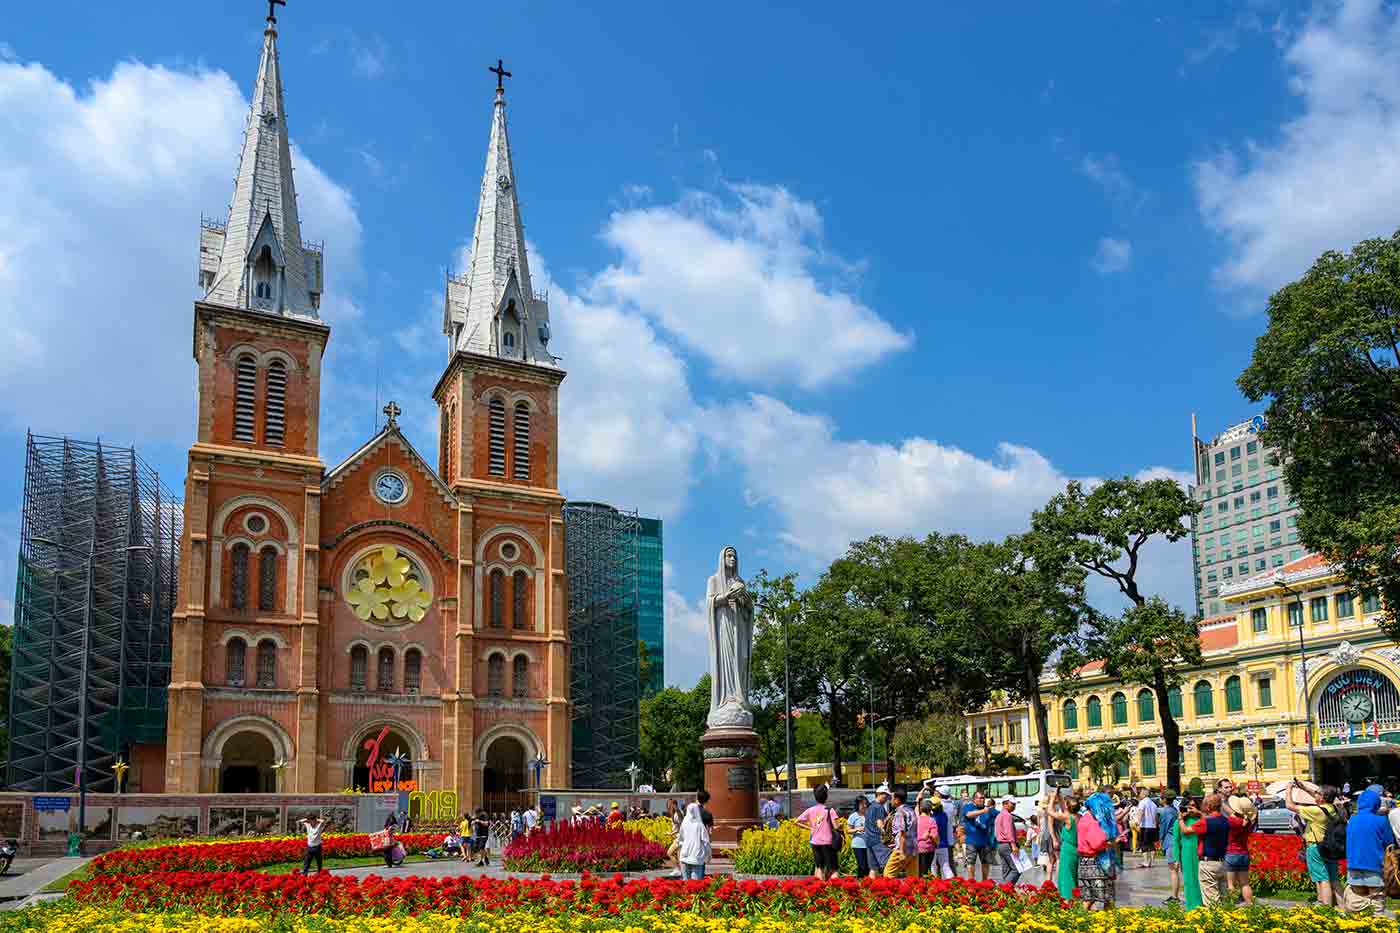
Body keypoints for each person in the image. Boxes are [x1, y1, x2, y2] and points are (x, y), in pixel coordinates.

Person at [1284, 780, 1343, 908]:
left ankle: (1326, 909)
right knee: (1334, 879)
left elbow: (1290, 806)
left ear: (1322, 797)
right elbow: (1321, 799)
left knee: (1323, 879)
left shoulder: (1316, 811)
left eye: (1317, 793)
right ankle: (1344, 908)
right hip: (1331, 847)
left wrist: (1288, 790)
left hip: (1316, 847)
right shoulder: (1334, 808)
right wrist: (1304, 788)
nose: (1315, 794)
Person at [1343, 788, 1395, 914]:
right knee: (1377, 902)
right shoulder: (1381, 821)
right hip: (1375, 867)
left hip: (1354, 866)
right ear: (1376, 804)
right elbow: (1389, 843)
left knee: (1357, 903)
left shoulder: (1352, 820)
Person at [1181, 795, 1230, 907]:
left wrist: (1180, 818)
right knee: (1223, 897)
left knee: (1211, 901)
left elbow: (1185, 830)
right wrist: (1199, 813)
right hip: (1222, 862)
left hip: (1208, 863)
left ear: (1208, 806)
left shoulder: (1205, 823)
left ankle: (1215, 923)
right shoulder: (1225, 821)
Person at [1076, 792, 1118, 909]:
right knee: (1106, 897)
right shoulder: (1092, 822)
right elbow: (1097, 843)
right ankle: (1109, 921)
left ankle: (1078, 920)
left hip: (1084, 863)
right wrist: (1109, 843)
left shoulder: (1083, 819)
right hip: (1095, 864)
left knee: (1088, 898)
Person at [796, 784, 841, 881]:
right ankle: (835, 888)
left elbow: (797, 822)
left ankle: (818, 888)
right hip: (828, 843)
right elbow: (837, 826)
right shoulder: (830, 810)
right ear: (826, 796)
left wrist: (810, 828)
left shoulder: (810, 810)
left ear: (815, 797)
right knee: (833, 869)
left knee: (819, 867)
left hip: (815, 842)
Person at [1223, 795, 1255, 906]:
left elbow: (1230, 816)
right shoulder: (1248, 821)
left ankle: (1231, 905)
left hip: (1231, 853)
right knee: (1245, 883)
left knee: (1230, 884)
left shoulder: (1232, 821)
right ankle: (1250, 904)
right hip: (1244, 853)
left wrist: (1221, 802)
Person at [960, 791, 997, 881]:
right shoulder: (968, 807)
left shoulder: (988, 809)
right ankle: (971, 881)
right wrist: (983, 811)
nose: (982, 800)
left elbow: (999, 816)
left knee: (985, 862)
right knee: (970, 862)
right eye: (980, 798)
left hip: (985, 841)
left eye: (983, 798)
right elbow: (969, 814)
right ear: (974, 799)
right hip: (971, 841)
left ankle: (984, 881)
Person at [883, 789, 918, 878]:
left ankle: (890, 891)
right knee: (912, 878)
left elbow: (902, 833)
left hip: (902, 849)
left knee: (888, 875)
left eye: (891, 798)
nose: (890, 800)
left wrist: (901, 852)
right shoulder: (910, 810)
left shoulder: (899, 813)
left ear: (897, 800)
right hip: (913, 849)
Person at [677, 794, 711, 881]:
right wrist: (709, 855)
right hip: (697, 857)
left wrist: (680, 853)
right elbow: (706, 842)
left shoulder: (684, 824)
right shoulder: (700, 826)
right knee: (695, 885)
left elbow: (680, 840)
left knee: (685, 883)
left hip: (684, 856)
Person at [1156, 790, 1181, 903]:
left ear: (1164, 799)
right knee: (1175, 870)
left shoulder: (1166, 812)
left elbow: (1163, 828)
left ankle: (1174, 896)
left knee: (1173, 871)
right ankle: (1175, 895)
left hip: (1170, 841)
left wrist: (1159, 840)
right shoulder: (1174, 810)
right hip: (1174, 840)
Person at [864, 784, 891, 877]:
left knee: (873, 868)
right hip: (878, 840)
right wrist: (887, 834)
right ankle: (888, 887)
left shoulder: (870, 806)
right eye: (885, 795)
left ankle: (870, 887)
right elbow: (880, 824)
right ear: (879, 794)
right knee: (887, 865)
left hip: (868, 840)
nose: (887, 798)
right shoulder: (879, 807)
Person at [1055, 798, 1079, 900]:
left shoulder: (1068, 818)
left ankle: (1067, 898)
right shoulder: (1078, 817)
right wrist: (1059, 795)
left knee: (1066, 874)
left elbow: (1050, 812)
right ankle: (1075, 896)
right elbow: (1065, 808)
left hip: (1067, 849)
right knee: (1073, 874)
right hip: (1075, 848)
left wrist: (1052, 800)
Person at [994, 797, 1021, 886]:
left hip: (1001, 845)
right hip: (1008, 845)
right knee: (1016, 869)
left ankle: (1006, 894)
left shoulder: (999, 815)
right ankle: (1004, 889)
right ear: (1005, 804)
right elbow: (1008, 831)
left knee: (1006, 871)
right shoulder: (1007, 816)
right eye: (1012, 804)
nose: (1014, 806)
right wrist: (1013, 845)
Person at [930, 792, 954, 879]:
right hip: (944, 844)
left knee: (933, 866)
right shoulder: (944, 815)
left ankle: (934, 884)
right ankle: (952, 883)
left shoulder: (931, 818)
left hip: (933, 845)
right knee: (946, 866)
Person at [916, 797, 939, 877]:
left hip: (917, 848)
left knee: (918, 871)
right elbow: (934, 835)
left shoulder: (916, 819)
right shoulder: (931, 820)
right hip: (928, 848)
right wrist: (936, 843)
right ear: (930, 809)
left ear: (921, 809)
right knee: (926, 871)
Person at [847, 797, 869, 879]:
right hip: (858, 844)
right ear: (857, 805)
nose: (864, 805)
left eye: (865, 803)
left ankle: (865, 883)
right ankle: (860, 881)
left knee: (867, 866)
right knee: (861, 865)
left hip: (868, 844)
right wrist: (857, 829)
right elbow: (848, 830)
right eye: (862, 803)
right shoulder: (853, 816)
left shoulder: (869, 814)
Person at [1136, 789, 1159, 869]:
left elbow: (1140, 813)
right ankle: (1151, 862)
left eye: (1140, 793)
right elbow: (1156, 817)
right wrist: (1156, 825)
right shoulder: (1153, 804)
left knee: (1144, 844)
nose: (1139, 795)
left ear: (1144, 794)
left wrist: (1138, 823)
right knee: (1151, 844)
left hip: (1144, 826)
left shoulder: (1142, 802)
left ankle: (1145, 862)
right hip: (1153, 826)